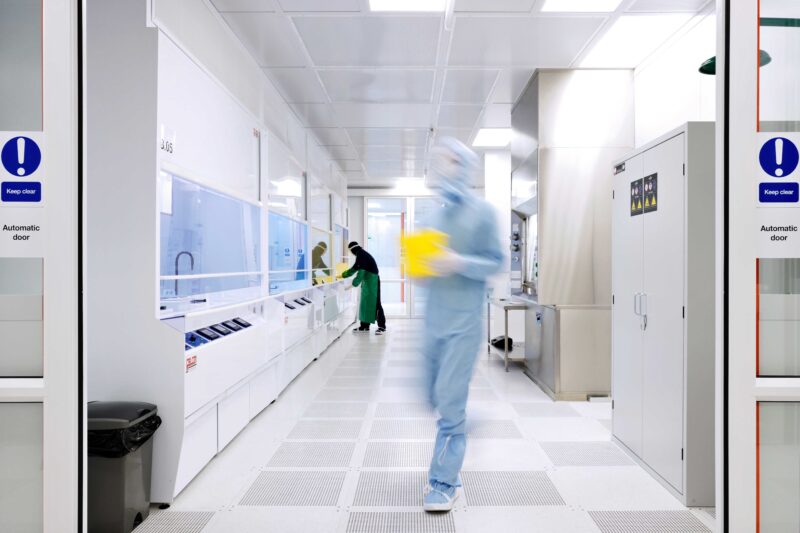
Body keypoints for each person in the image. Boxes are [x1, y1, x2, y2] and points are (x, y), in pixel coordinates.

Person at [420, 138, 503, 512]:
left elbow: (495, 262)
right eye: (439, 161)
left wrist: (459, 263)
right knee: (433, 396)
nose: (443, 166)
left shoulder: (484, 212)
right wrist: (420, 265)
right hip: (433, 321)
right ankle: (461, 422)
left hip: (463, 324)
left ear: (466, 166)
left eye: (451, 160)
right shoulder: (431, 216)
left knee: (450, 405)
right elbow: (423, 273)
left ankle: (443, 482)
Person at [342, 241, 387, 334]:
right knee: (365, 303)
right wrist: (343, 275)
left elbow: (361, 272)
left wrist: (352, 285)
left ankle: (382, 327)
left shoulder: (362, 255)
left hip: (373, 281)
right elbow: (354, 268)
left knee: (376, 303)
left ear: (353, 250)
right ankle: (364, 326)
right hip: (367, 282)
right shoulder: (360, 255)